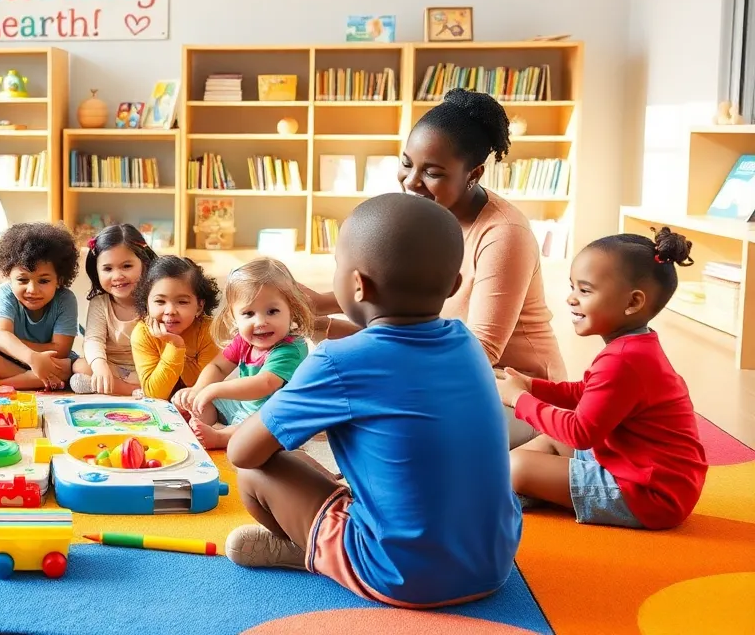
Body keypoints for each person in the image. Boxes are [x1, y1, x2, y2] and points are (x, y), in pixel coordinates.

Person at [226, 193, 521, 608]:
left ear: (357, 284)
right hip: (494, 563)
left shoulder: (335, 362)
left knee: (256, 475)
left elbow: (243, 451)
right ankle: (325, 542)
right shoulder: (466, 342)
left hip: (403, 576)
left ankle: (313, 552)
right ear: (453, 285)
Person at [298, 88, 564, 446]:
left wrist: (335, 333)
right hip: (448, 367)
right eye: (407, 163)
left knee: (372, 415)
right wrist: (313, 309)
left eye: (433, 172)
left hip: (512, 392)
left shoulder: (504, 235)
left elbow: (478, 352)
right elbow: (392, 297)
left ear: (474, 173)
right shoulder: (426, 217)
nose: (411, 182)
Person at [499, 228, 709, 529]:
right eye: (573, 287)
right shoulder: (633, 347)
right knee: (544, 443)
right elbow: (585, 394)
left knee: (517, 466)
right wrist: (532, 386)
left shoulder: (624, 359)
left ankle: (519, 486)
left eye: (585, 291)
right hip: (633, 465)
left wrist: (519, 399)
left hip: (649, 494)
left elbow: (581, 432)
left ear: (633, 302)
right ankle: (516, 485)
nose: (571, 299)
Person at [174, 258, 314, 450]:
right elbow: (217, 366)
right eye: (248, 314)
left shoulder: (290, 348)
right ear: (233, 317)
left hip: (275, 414)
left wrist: (214, 389)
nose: (260, 322)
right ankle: (195, 419)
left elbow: (264, 384)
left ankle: (220, 437)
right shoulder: (244, 341)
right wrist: (198, 390)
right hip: (243, 405)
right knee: (205, 400)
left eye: (272, 311)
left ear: (292, 310)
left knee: (259, 425)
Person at [0, 222, 83, 389]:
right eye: (22, 280)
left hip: (43, 359)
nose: (32, 290)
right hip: (3, 357)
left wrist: (31, 356)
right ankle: (32, 380)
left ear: (60, 280)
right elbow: (1, 335)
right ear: (8, 276)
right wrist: (31, 357)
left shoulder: (66, 299)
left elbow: (61, 351)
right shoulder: (5, 293)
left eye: (43, 281)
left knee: (68, 369)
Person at [70, 224, 158, 395]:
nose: (117, 276)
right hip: (113, 368)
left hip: (146, 367)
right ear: (96, 271)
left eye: (126, 266)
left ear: (144, 264)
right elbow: (93, 340)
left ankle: (124, 389)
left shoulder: (154, 300)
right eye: (108, 269)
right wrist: (100, 366)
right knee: (80, 365)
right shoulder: (100, 303)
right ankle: (133, 390)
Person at [130, 256, 222, 401]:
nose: (170, 310)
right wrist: (175, 346)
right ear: (147, 304)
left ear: (199, 306)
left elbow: (203, 389)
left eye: (182, 302)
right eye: (160, 301)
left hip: (201, 404)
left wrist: (178, 346)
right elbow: (155, 394)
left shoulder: (208, 330)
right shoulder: (143, 333)